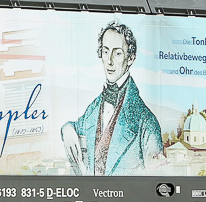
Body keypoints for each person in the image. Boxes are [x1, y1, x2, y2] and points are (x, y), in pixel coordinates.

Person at [62, 22, 164, 174]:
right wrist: (67, 129)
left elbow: (156, 178)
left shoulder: (147, 122)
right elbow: (77, 126)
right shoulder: (94, 108)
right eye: (105, 51)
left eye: (117, 53)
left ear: (130, 58)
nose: (109, 61)